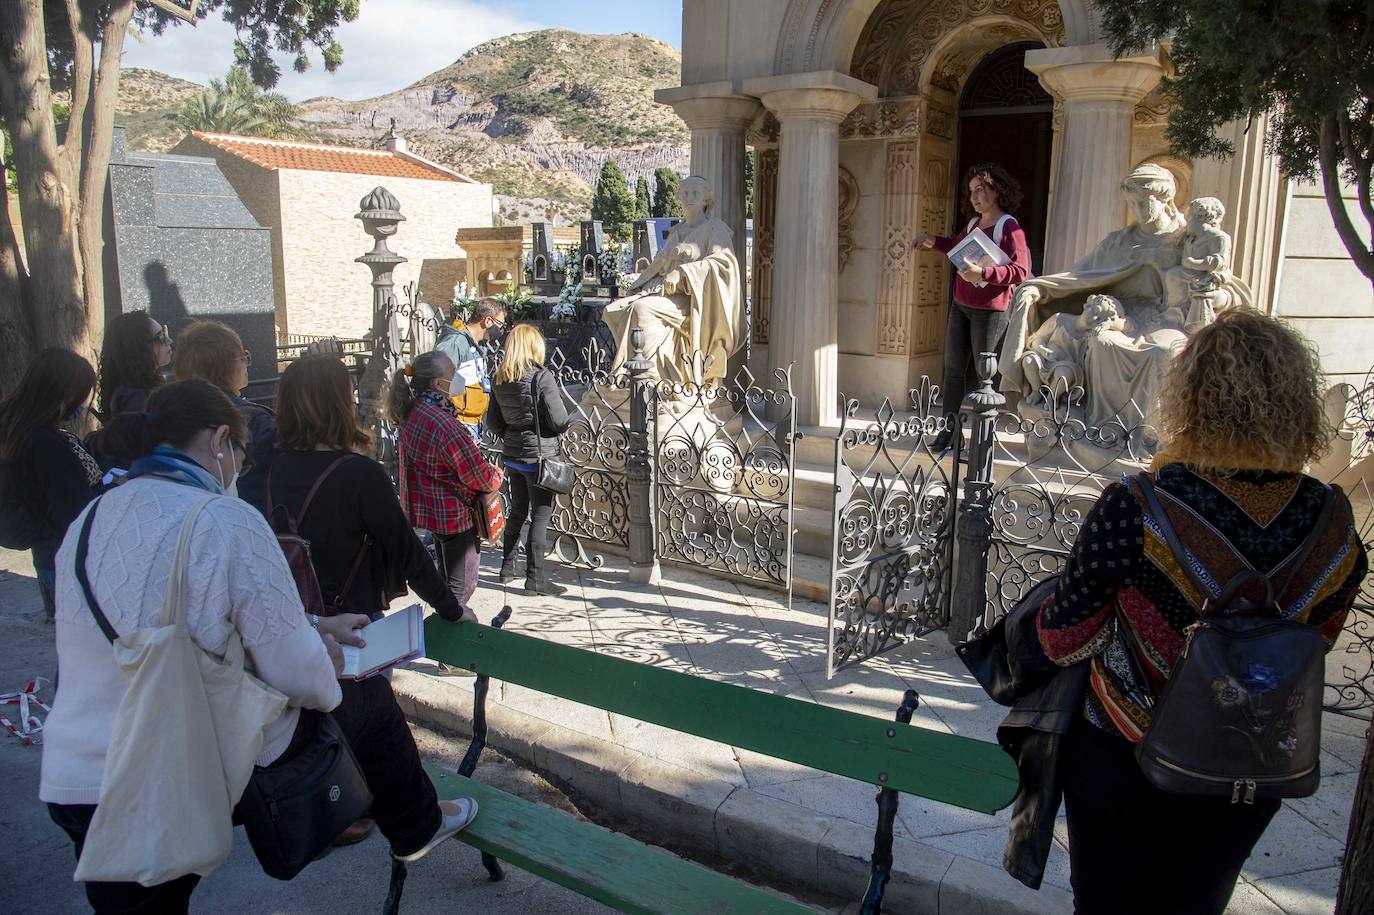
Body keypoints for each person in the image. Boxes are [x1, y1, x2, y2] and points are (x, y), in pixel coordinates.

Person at [1034, 309, 1368, 915]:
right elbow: (1313, 637)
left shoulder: (1136, 507)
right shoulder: (1332, 520)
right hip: (1252, 763)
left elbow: (1062, 640)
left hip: (1127, 753)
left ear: (1190, 400)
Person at [40, 379, 343, 913]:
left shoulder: (89, 518)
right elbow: (300, 677)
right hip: (159, 776)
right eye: (241, 458)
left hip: (74, 775)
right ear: (222, 441)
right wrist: (326, 662)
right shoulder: (226, 520)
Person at [270, 353, 480, 850]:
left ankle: (347, 806)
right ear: (338, 404)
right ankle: (400, 817)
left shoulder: (271, 470)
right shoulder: (358, 473)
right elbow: (407, 552)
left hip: (301, 617)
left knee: (323, 715)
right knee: (369, 715)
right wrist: (452, 609)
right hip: (355, 617)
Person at [913, 163, 1031, 450]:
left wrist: (985, 275)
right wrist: (933, 242)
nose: (974, 196)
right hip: (961, 306)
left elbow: (1021, 271)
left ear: (997, 190)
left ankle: (983, 438)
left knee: (985, 377)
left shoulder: (1009, 227)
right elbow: (957, 247)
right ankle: (949, 432)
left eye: (980, 189)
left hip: (991, 311)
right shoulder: (972, 225)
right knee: (953, 370)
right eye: (971, 192)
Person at [389, 351, 504, 620]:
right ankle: (450, 651)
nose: (458, 380)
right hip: (454, 515)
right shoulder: (440, 422)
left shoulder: (414, 410)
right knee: (460, 588)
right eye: (452, 375)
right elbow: (477, 474)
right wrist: (496, 474)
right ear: (438, 384)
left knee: (448, 579)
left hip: (432, 511)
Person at [0, 349, 101, 621]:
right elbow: (74, 508)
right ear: (66, 393)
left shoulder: (16, 426)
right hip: (66, 553)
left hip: (46, 551)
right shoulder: (46, 442)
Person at [485, 323, 571, 596]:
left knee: (518, 511)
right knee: (541, 514)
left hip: (513, 456)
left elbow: (493, 422)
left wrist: (514, 435)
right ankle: (535, 579)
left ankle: (507, 569)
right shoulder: (541, 377)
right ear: (534, 346)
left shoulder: (500, 376)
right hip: (539, 457)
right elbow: (559, 421)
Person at [172, 320, 276, 515]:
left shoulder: (168, 415)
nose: (246, 364)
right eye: (242, 357)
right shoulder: (255, 420)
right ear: (225, 367)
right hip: (248, 518)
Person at [433, 297, 506, 433]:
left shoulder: (476, 345)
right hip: (458, 422)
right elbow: (437, 379)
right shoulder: (456, 342)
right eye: (500, 324)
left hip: (472, 421)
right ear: (488, 321)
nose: (501, 330)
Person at [96, 311, 172, 420]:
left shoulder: (137, 389)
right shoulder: (135, 399)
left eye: (165, 333)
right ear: (138, 348)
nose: (169, 341)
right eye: (160, 337)